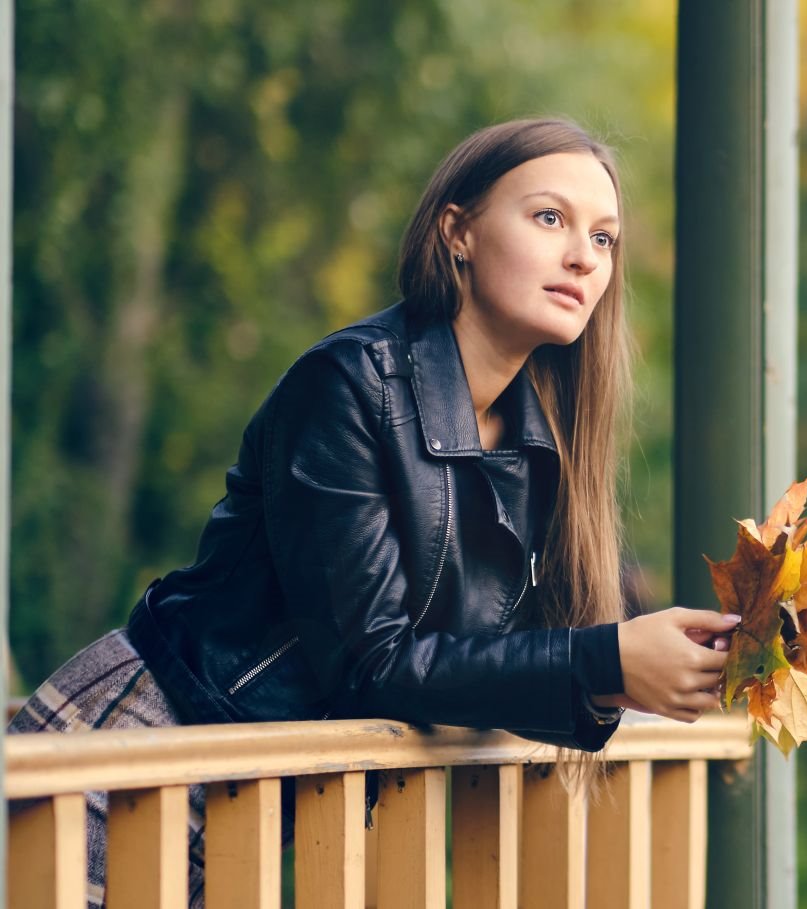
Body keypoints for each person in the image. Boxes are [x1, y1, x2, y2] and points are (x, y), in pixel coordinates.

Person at [8, 117, 742, 907]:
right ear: (456, 231)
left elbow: (500, 655)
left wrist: (671, 667)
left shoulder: (543, 443)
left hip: (259, 793)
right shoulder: (350, 385)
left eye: (605, 238)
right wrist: (606, 662)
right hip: (139, 743)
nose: (582, 257)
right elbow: (372, 661)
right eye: (550, 218)